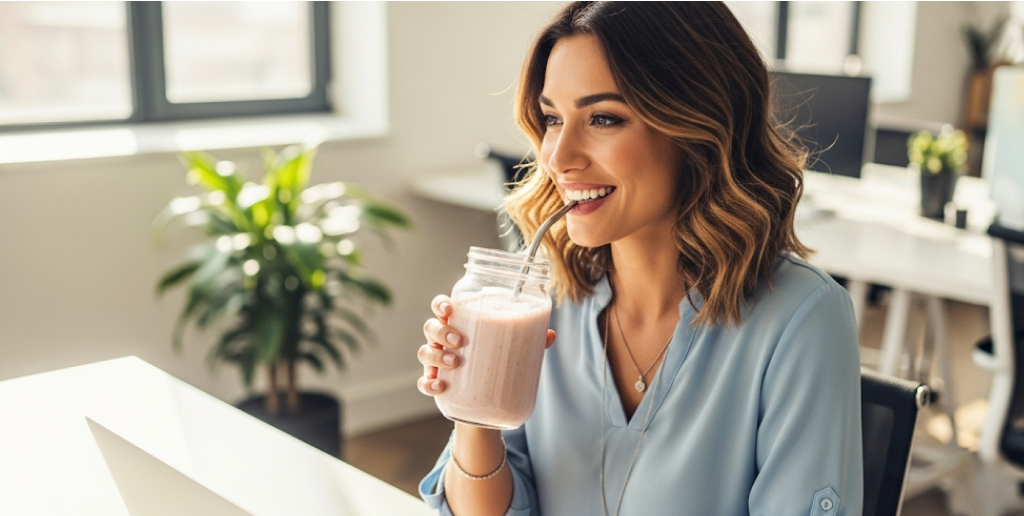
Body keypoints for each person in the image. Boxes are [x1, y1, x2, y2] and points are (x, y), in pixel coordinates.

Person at [416, 2, 863, 515]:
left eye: (604, 118)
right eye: (553, 118)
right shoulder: (544, 298)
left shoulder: (801, 319)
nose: (558, 157)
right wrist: (475, 412)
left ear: (697, 126)